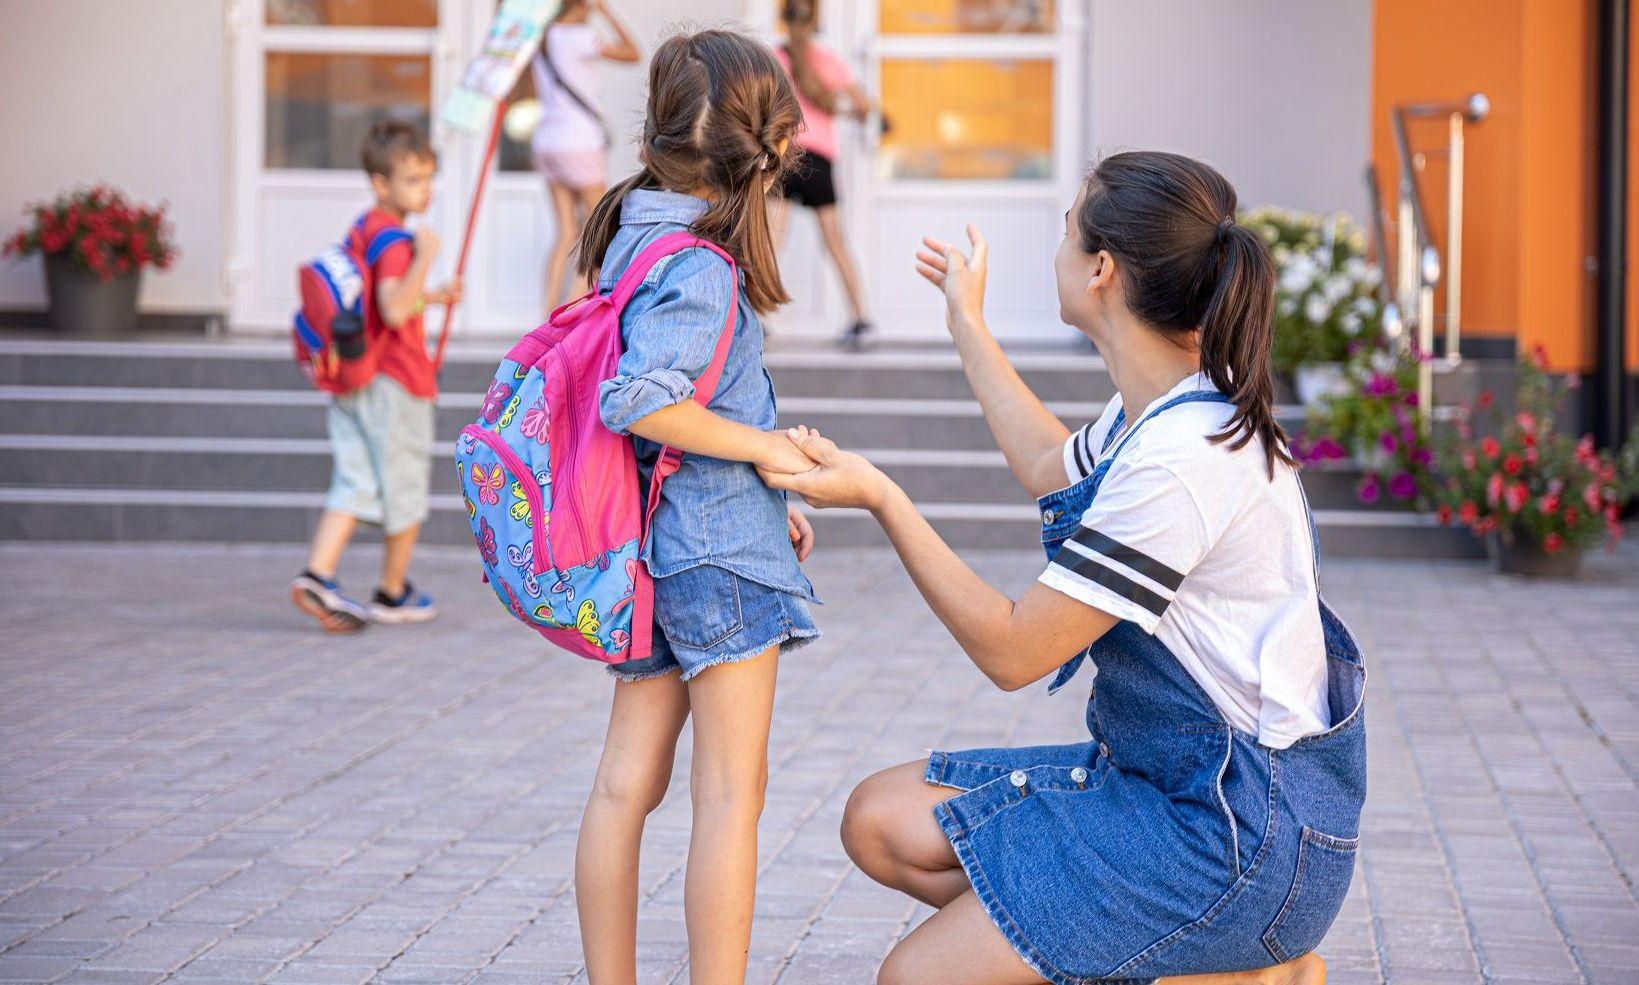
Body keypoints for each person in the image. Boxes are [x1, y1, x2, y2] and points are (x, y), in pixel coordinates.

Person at [760, 152, 1366, 985]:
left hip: (1236, 835)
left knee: (917, 978)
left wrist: (882, 497)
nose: (1056, 248)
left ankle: (1238, 960)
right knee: (882, 820)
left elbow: (1014, 652)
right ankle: (1222, 972)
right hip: (1172, 787)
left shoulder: (1183, 458)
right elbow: (1049, 460)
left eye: (1064, 228)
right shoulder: (1162, 405)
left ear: (1101, 269)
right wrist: (967, 324)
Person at [571, 30, 824, 984]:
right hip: (714, 555)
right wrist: (766, 451)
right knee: (730, 796)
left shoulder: (627, 224)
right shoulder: (703, 262)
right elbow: (641, 398)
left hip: (649, 543)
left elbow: (686, 401)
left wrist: (760, 488)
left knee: (621, 785)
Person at [289, 121, 462, 632]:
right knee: (405, 486)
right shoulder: (397, 241)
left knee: (355, 479)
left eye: (429, 177)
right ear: (380, 184)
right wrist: (425, 258)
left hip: (355, 374)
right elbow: (390, 308)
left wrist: (432, 296)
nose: (424, 189)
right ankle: (392, 590)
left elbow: (376, 302)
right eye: (412, 179)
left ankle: (317, 572)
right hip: (397, 383)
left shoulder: (365, 226)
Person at [770, 0, 877, 348]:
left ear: (782, 17)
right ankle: (861, 318)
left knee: (770, 242)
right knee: (836, 242)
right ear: (817, 19)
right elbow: (863, 104)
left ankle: (753, 319)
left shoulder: (774, 59)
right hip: (819, 160)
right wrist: (842, 110)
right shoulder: (828, 59)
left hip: (784, 156)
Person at [531, 0, 640, 313]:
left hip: (547, 140)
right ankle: (568, 312)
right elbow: (633, 51)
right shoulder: (581, 37)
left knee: (565, 231)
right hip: (579, 141)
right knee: (597, 230)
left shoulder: (543, 36)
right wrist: (605, 11)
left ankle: (545, 312)